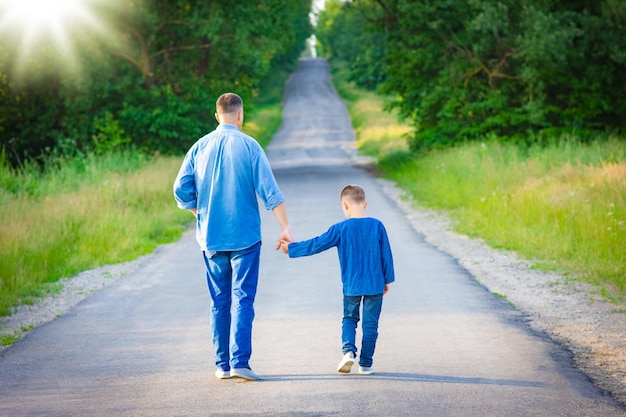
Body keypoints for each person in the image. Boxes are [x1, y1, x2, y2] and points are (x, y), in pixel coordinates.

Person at [173, 92, 292, 381]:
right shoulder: (250, 146)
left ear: (217, 116)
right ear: (240, 115)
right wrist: (284, 228)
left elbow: (180, 188)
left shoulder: (199, 147)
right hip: (245, 239)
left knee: (219, 302)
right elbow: (270, 192)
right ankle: (241, 361)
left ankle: (222, 366)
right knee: (243, 299)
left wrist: (199, 214)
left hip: (211, 239)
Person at [280, 184, 394, 375]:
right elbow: (386, 256)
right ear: (365, 204)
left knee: (349, 318)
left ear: (345, 205)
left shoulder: (340, 228)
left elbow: (317, 243)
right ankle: (365, 364)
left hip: (352, 285)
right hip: (375, 283)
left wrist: (291, 248)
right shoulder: (377, 226)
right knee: (370, 325)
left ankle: (348, 351)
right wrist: (386, 280)